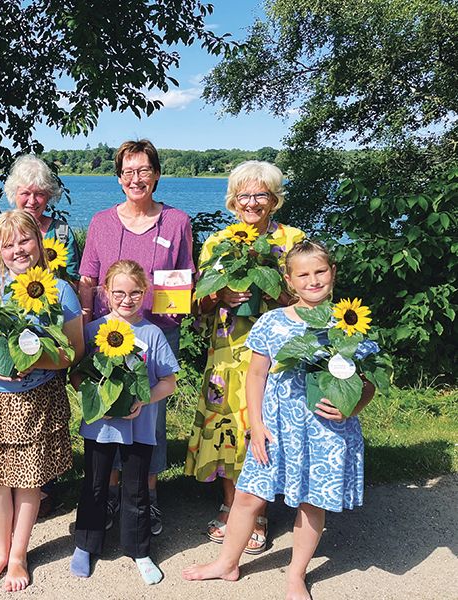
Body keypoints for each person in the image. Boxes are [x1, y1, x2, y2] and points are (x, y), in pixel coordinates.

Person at [182, 240, 377, 600]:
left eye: (320, 271)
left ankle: (296, 574)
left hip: (327, 431)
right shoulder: (272, 322)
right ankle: (227, 562)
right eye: (303, 274)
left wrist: (354, 406)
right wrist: (255, 425)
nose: (313, 280)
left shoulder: (349, 324)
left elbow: (368, 382)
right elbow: (255, 376)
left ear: (333, 273)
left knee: (311, 501)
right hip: (276, 429)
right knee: (247, 496)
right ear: (289, 281)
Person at [0, 210, 84, 592]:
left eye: (24, 240)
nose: (17, 250)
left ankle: (19, 554)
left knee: (29, 481)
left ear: (39, 243)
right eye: (7, 244)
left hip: (37, 397)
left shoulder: (60, 290)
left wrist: (37, 361)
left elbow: (73, 351)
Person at [184, 160, 305, 554]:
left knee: (264, 423)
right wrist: (219, 295)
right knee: (227, 425)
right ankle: (231, 503)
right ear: (233, 201)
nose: (252, 203)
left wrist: (274, 293)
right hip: (228, 349)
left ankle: (259, 512)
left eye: (261, 195)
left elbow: (309, 297)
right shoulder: (219, 243)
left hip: (276, 351)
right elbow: (197, 301)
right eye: (244, 195)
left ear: (274, 199)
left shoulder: (291, 240)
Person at [78, 139, 194, 536]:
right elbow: (88, 278)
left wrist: (177, 309)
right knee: (109, 410)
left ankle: (147, 497)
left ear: (157, 174)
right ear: (118, 178)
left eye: (143, 170)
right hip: (108, 335)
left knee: (150, 417)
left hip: (157, 334)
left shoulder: (177, 222)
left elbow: (184, 277)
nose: (136, 178)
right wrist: (87, 326)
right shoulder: (100, 222)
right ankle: (111, 493)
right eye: (128, 171)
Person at [69, 260, 178, 585]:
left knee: (136, 488)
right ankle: (85, 545)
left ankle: (139, 550)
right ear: (105, 293)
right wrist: (95, 397)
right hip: (100, 425)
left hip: (140, 426)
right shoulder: (93, 330)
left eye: (134, 293)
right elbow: (77, 375)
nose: (126, 299)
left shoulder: (153, 333)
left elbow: (168, 382)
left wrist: (143, 399)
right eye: (119, 292)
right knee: (95, 484)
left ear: (144, 293)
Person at [0, 154, 81, 284]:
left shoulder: (61, 232)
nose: (32, 201)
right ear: (13, 194)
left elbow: (73, 281)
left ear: (49, 196)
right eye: (25, 193)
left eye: (40, 194)